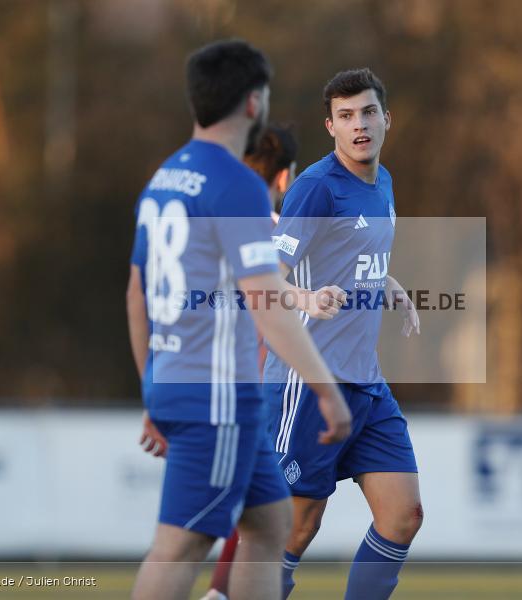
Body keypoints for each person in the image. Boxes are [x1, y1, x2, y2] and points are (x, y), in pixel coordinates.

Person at [126, 40, 350, 600]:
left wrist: (152, 386)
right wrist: (326, 390)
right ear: (253, 104)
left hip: (195, 388)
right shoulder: (239, 186)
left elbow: (136, 294)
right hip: (218, 398)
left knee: (270, 525)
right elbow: (267, 301)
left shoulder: (165, 179)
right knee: (180, 546)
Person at [262, 68, 423, 600]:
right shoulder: (315, 188)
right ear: (330, 126)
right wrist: (307, 300)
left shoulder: (384, 182)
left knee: (403, 515)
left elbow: (356, 258)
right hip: (309, 383)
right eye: (347, 116)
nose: (360, 125)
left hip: (365, 383)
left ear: (386, 119)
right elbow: (265, 280)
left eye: (368, 113)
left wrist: (389, 284)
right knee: (297, 528)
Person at [193, 124, 299, 600]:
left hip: (198, 384)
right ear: (284, 179)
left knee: (243, 515)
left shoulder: (208, 224)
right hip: (258, 389)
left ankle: (219, 593)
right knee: (270, 515)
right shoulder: (281, 234)